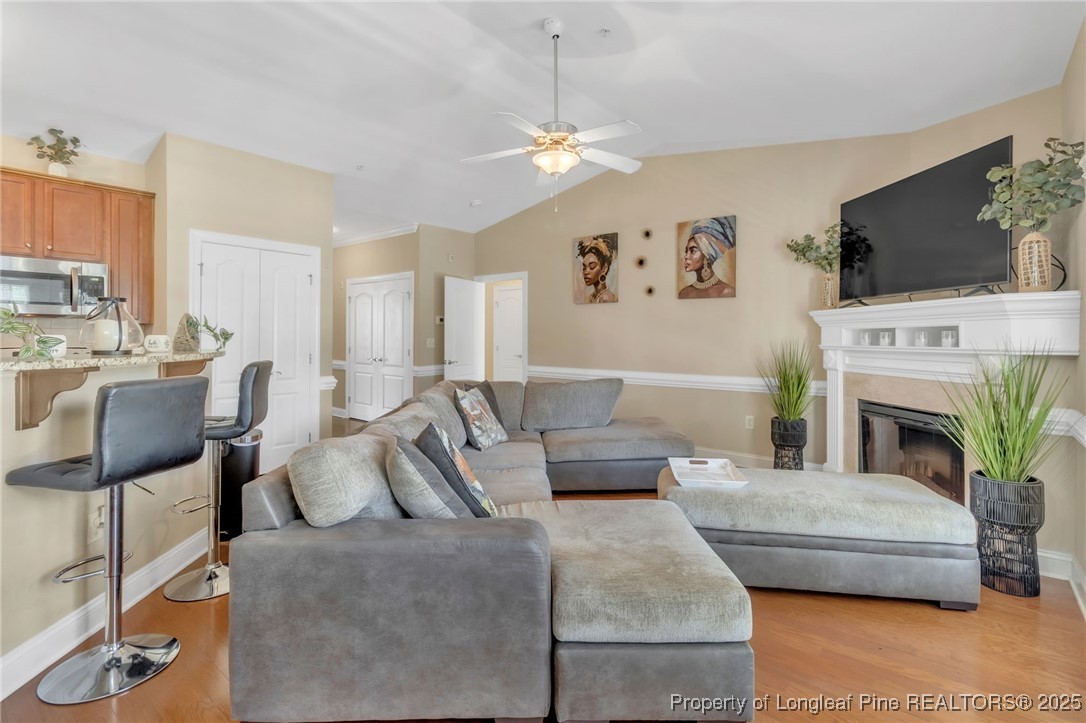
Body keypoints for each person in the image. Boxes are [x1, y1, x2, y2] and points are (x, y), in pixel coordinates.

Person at [679, 217, 736, 299]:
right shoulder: (684, 293)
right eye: (686, 251)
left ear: (706, 255)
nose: (686, 256)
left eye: (693, 251)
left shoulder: (727, 292)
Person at [576, 235, 618, 303]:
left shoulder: (606, 298)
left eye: (592, 266)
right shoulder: (591, 297)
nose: (586, 272)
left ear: (604, 269)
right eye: (584, 267)